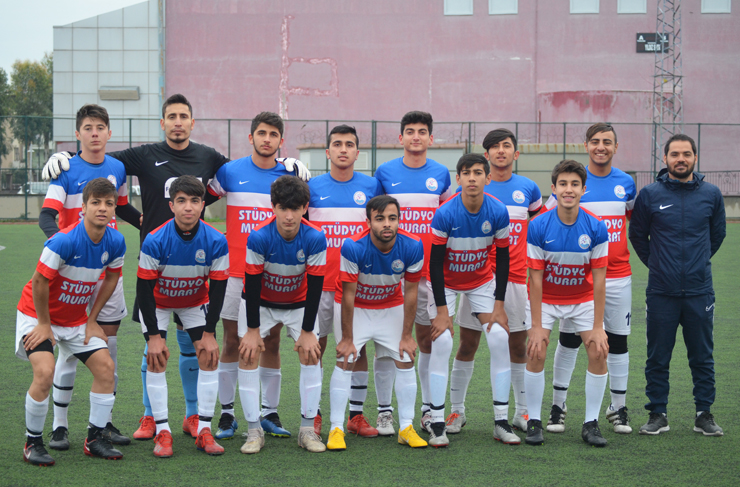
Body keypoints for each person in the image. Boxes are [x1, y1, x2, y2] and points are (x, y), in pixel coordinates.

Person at [42, 95, 310, 440]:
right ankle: (149, 417)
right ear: (163, 123)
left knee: (190, 344)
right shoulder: (143, 155)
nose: (178, 122)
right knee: (152, 344)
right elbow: (98, 157)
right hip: (154, 263)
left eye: (184, 116)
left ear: (192, 123)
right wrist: (67, 156)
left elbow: (250, 168)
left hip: (195, 266)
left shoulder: (209, 157)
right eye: (172, 116)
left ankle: (192, 415)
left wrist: (286, 164)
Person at [38, 104, 139, 450]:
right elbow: (47, 216)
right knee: (69, 350)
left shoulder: (117, 168)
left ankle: (103, 425)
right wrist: (63, 250)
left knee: (106, 347)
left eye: (100, 128)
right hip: (73, 273)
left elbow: (121, 206)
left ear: (109, 133)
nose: (94, 133)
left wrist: (146, 222)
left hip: (107, 270)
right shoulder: (65, 168)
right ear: (78, 133)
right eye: (88, 128)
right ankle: (59, 426)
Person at [16, 178, 127, 465]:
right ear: (83, 207)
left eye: (109, 203)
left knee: (106, 368)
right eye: (95, 202)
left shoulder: (116, 241)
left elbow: (112, 277)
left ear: (114, 209)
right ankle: (33, 443)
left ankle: (95, 439)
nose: (102, 208)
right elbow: (39, 281)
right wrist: (44, 325)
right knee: (45, 372)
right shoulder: (63, 240)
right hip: (37, 314)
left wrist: (92, 319)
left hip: (76, 319)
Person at [206, 112, 297, 440]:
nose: (267, 139)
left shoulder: (290, 175)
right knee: (232, 340)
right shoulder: (230, 172)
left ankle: (269, 412)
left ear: (281, 141)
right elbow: (199, 200)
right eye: (261, 133)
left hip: (274, 273)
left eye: (273, 134)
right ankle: (228, 414)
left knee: (271, 341)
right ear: (251, 137)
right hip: (235, 271)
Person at [541, 124, 636, 435]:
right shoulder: (574, 182)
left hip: (617, 276)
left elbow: (633, 223)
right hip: (578, 280)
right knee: (569, 340)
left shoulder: (626, 183)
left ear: (616, 147)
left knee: (617, 341)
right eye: (595, 141)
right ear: (586, 146)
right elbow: (546, 221)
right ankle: (558, 406)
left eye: (607, 142)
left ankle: (618, 408)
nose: (601, 147)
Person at [629, 134, 726, 437]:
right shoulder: (649, 194)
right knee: (658, 356)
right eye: (674, 154)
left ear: (695, 157)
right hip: (661, 291)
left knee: (702, 356)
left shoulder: (711, 194)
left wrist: (696, 263)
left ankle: (703, 414)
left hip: (699, 290)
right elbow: (637, 236)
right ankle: (658, 414)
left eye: (686, 154)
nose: (680, 159)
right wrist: (659, 264)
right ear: (665, 158)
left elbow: (717, 235)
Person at [450, 129, 541, 434]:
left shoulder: (528, 189)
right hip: (476, 277)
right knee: (467, 343)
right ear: (486, 155)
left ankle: (522, 411)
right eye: (494, 147)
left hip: (514, 279)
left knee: (517, 346)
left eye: (506, 146)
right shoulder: (469, 188)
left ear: (516, 153)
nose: (501, 151)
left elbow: (538, 226)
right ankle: (456, 411)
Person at [136, 176, 229, 457]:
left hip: (194, 302)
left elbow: (218, 290)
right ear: (171, 205)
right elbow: (144, 291)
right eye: (181, 201)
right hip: (158, 303)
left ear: (202, 205)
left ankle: (204, 430)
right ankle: (162, 432)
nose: (188, 207)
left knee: (209, 355)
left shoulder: (216, 240)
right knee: (156, 357)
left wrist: (210, 333)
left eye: (194, 201)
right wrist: (154, 336)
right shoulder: (154, 240)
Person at [327, 195, 428, 451]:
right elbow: (348, 295)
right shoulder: (353, 246)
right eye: (380, 218)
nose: (387, 224)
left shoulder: (413, 245)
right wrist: (347, 338)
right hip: (356, 307)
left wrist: (407, 335)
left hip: (389, 305)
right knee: (345, 359)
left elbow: (411, 292)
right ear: (368, 221)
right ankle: (336, 428)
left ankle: (406, 427)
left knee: (405, 358)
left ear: (399, 220)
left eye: (392, 218)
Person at [427, 153, 513, 447]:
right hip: (446, 283)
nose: (472, 178)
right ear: (458, 178)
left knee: (499, 337)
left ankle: (501, 421)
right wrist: (442, 312)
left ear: (488, 178)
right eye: (466, 173)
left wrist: (499, 306)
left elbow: (503, 259)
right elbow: (435, 264)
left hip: (480, 281)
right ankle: (437, 422)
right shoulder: (445, 213)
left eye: (478, 172)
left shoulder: (498, 210)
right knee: (442, 341)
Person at [373, 111, 451, 435]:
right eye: (410, 131)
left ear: (431, 138)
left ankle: (428, 410)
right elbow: (376, 218)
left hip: (430, 273)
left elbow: (446, 220)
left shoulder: (442, 174)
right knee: (389, 343)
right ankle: (384, 412)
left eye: (421, 131)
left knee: (427, 340)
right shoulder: (385, 172)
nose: (415, 136)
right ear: (400, 137)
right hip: (392, 273)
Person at [237, 175, 327, 454]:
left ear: (305, 207)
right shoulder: (259, 236)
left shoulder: (315, 237)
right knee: (248, 353)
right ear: (273, 207)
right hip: (260, 303)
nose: (289, 216)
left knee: (311, 354)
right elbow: (252, 285)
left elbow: (315, 286)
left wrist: (308, 331)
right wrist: (253, 331)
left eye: (295, 208)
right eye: (283, 208)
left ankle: (307, 430)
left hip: (298, 303)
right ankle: (254, 431)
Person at [524, 160, 610, 447]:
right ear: (554, 188)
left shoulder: (596, 227)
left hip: (581, 299)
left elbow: (599, 280)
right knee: (536, 350)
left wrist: (598, 326)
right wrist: (537, 326)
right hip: (547, 299)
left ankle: (591, 423)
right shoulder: (538, 225)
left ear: (584, 190)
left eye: (575, 184)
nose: (568, 189)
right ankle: (534, 421)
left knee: (598, 350)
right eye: (563, 184)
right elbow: (535, 280)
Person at [308, 125, 384, 438]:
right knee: (316, 347)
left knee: (357, 347)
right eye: (337, 144)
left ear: (357, 152)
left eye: (349, 144)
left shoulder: (372, 186)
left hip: (356, 284)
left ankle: (355, 415)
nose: (343, 149)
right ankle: (313, 413)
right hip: (319, 282)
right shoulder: (312, 187)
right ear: (328, 152)